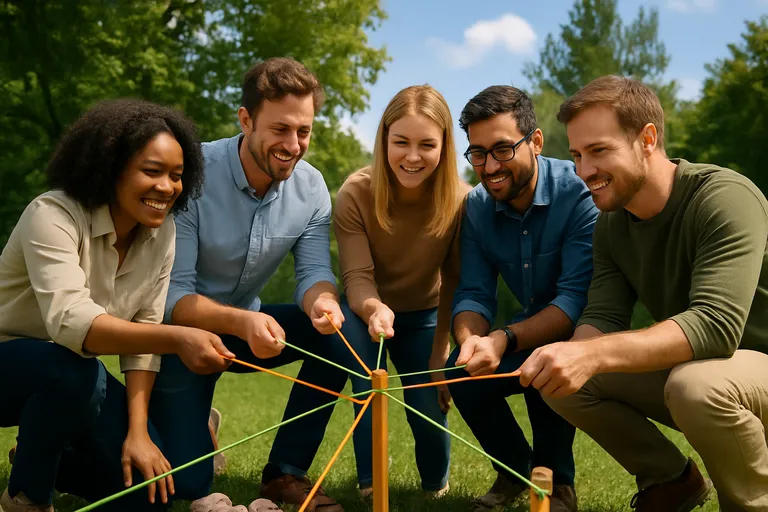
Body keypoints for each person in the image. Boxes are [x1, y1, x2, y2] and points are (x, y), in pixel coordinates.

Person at [520, 75, 768, 512]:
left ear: (647, 139)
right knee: (565, 383)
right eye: (577, 155)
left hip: (742, 374)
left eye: (599, 151)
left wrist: (593, 355)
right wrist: (570, 357)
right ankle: (671, 482)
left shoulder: (724, 197)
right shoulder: (612, 226)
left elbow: (715, 326)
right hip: (712, 377)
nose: (584, 171)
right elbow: (602, 315)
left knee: (696, 386)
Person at [0, 99, 228, 512]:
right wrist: (178, 337)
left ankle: (50, 454)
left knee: (154, 490)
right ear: (111, 167)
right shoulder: (51, 214)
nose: (167, 187)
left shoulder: (163, 233)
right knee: (74, 371)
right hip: (13, 366)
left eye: (177, 176)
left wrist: (138, 432)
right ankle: (27, 498)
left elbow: (142, 337)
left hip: (70, 380)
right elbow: (74, 324)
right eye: (152, 171)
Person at [151, 57, 347, 512]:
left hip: (249, 330)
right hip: (181, 336)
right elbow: (172, 297)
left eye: (303, 131)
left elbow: (314, 272)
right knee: (187, 486)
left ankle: (285, 474)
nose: (293, 144)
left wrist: (324, 303)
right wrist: (244, 322)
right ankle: (197, 431)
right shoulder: (192, 173)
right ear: (245, 119)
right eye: (280, 129)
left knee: (340, 332)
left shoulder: (313, 188)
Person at [444, 85, 598, 512]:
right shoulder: (477, 206)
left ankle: (557, 482)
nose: (489, 166)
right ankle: (514, 470)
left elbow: (573, 302)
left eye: (502, 150)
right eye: (477, 153)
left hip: (589, 333)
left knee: (544, 363)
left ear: (535, 141)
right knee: (458, 371)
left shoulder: (579, 194)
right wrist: (471, 340)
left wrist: (504, 340)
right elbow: (474, 292)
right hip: (527, 329)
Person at [333, 84, 471, 499]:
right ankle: (371, 484)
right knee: (367, 387)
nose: (413, 157)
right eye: (401, 142)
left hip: (425, 315)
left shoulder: (462, 200)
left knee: (429, 403)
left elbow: (455, 282)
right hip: (365, 313)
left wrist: (438, 355)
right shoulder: (355, 192)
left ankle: (435, 487)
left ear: (444, 147)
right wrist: (375, 309)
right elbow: (356, 276)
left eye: (427, 144)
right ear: (384, 139)